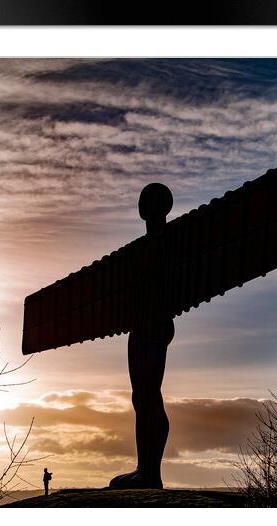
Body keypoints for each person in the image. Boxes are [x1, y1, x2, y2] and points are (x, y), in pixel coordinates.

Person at [109, 183, 174, 490]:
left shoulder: (170, 242)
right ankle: (144, 468)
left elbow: (163, 288)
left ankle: (150, 472)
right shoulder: (145, 246)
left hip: (153, 325)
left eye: (147, 200)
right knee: (141, 396)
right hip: (142, 325)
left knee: (149, 395)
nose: (142, 205)